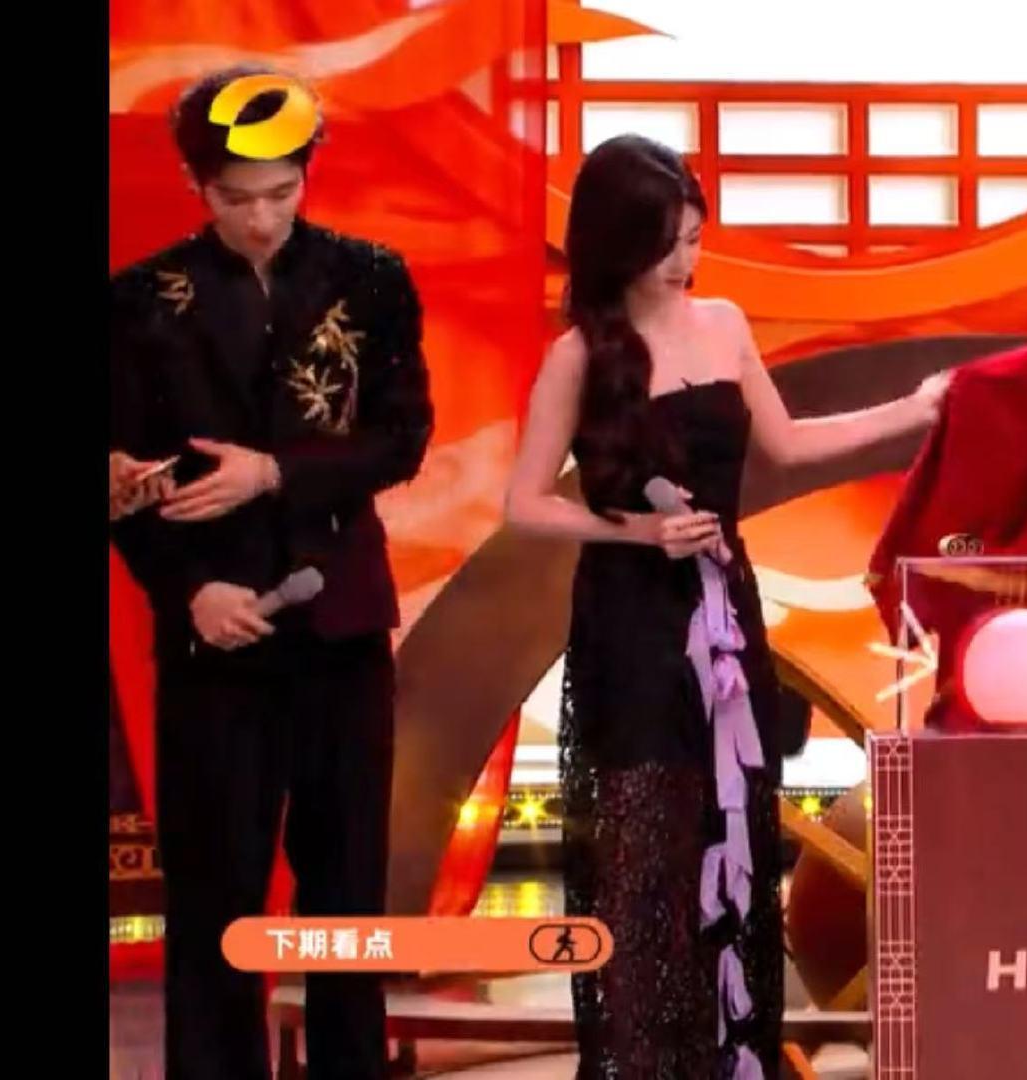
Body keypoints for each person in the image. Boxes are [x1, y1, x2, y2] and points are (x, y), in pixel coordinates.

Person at [502, 134, 948, 1078]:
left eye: (693, 239)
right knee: (643, 854)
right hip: (629, 622)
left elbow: (788, 446)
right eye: (665, 243)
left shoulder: (725, 323)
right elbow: (526, 504)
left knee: (732, 828)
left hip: (724, 613)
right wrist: (635, 532)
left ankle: (729, 1057)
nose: (684, 261)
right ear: (617, 242)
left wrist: (913, 412)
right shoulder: (579, 356)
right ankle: (643, 1062)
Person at [109, 63, 434, 1079]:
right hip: (214, 636)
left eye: (281, 193)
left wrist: (274, 472)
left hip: (341, 624)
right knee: (215, 894)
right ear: (195, 184)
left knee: (348, 893)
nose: (260, 219)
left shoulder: (370, 279)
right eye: (235, 198)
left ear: (308, 172)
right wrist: (189, 591)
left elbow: (401, 439)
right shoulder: (139, 302)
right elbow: (121, 481)